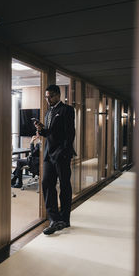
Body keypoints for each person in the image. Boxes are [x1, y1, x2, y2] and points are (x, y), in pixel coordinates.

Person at [35, 84, 76, 235]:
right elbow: (49, 133)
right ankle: (54, 219)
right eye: (46, 97)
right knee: (46, 183)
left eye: (51, 96)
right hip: (48, 155)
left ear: (58, 95)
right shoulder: (48, 113)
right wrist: (41, 129)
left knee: (64, 186)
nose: (48, 99)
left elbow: (70, 133)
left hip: (61, 155)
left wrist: (63, 152)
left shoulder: (67, 110)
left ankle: (65, 219)